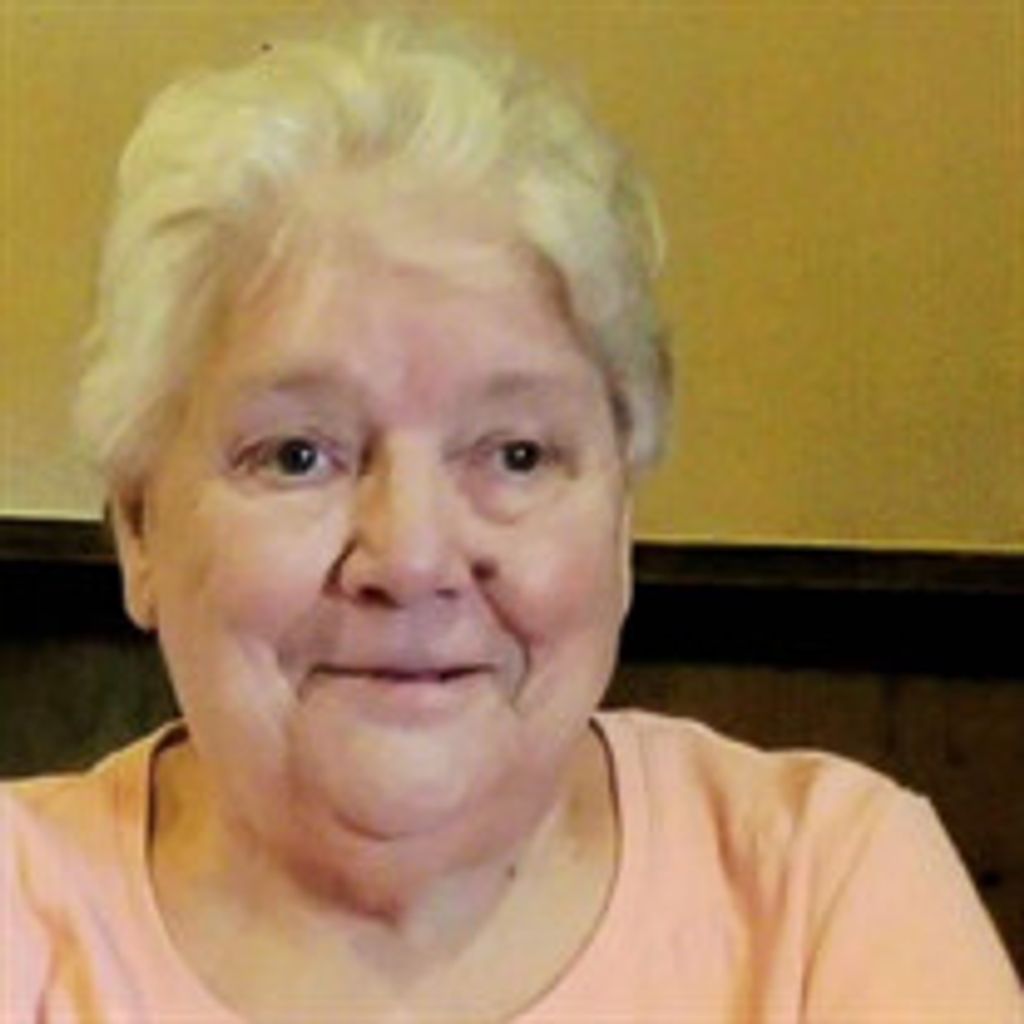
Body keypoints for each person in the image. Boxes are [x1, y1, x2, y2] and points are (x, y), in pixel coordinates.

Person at [2, 12, 1019, 1022]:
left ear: (619, 519)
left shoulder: (822, 890)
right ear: (138, 528)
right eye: (299, 454)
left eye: (517, 455)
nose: (411, 557)